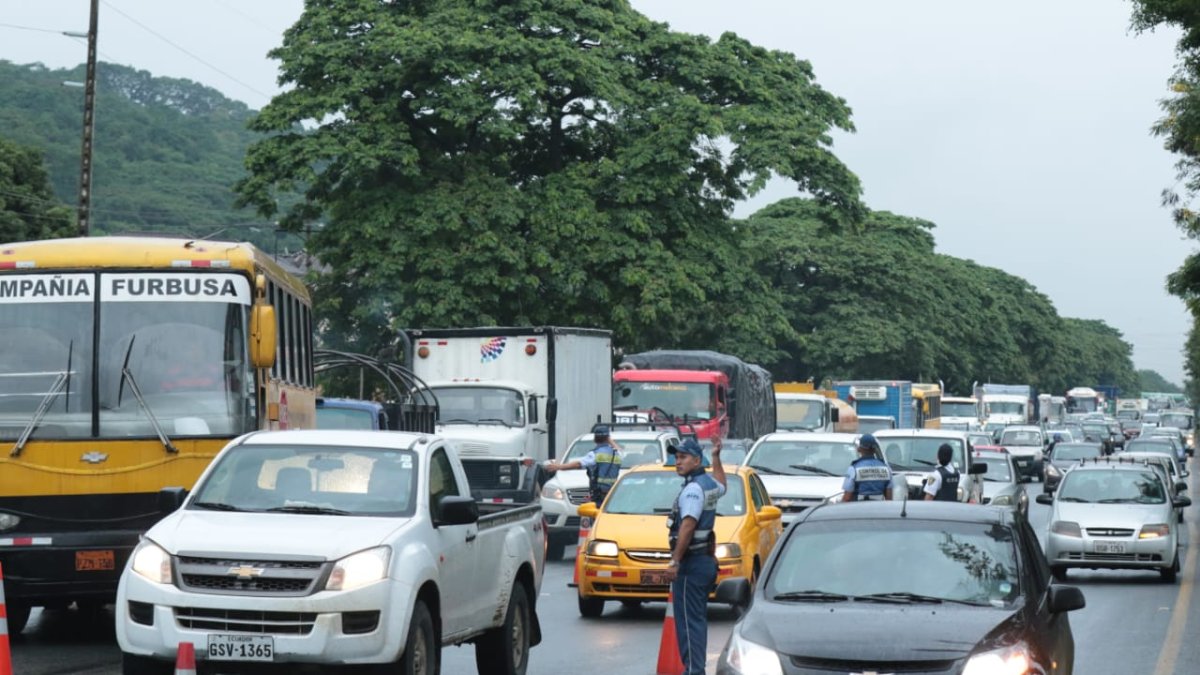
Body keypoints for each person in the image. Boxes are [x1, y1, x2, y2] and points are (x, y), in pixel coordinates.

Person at [663, 436, 726, 675]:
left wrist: (675, 561)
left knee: (689, 624)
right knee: (696, 621)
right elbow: (723, 485)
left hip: (692, 563)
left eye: (683, 457)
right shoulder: (707, 483)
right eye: (676, 457)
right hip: (703, 562)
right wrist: (718, 458)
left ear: (697, 460)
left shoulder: (693, 489)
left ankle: (694, 672)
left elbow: (687, 526)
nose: (678, 462)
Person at [543, 425, 622, 503]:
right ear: (608, 438)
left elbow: (578, 464)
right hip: (612, 493)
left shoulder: (595, 454)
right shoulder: (617, 454)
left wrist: (558, 467)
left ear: (595, 439)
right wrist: (609, 439)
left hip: (599, 493)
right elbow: (619, 450)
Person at [841, 434, 893, 502]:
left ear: (859, 449)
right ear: (874, 450)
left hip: (859, 510)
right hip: (879, 510)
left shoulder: (854, 469)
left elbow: (847, 498)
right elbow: (889, 498)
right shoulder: (886, 468)